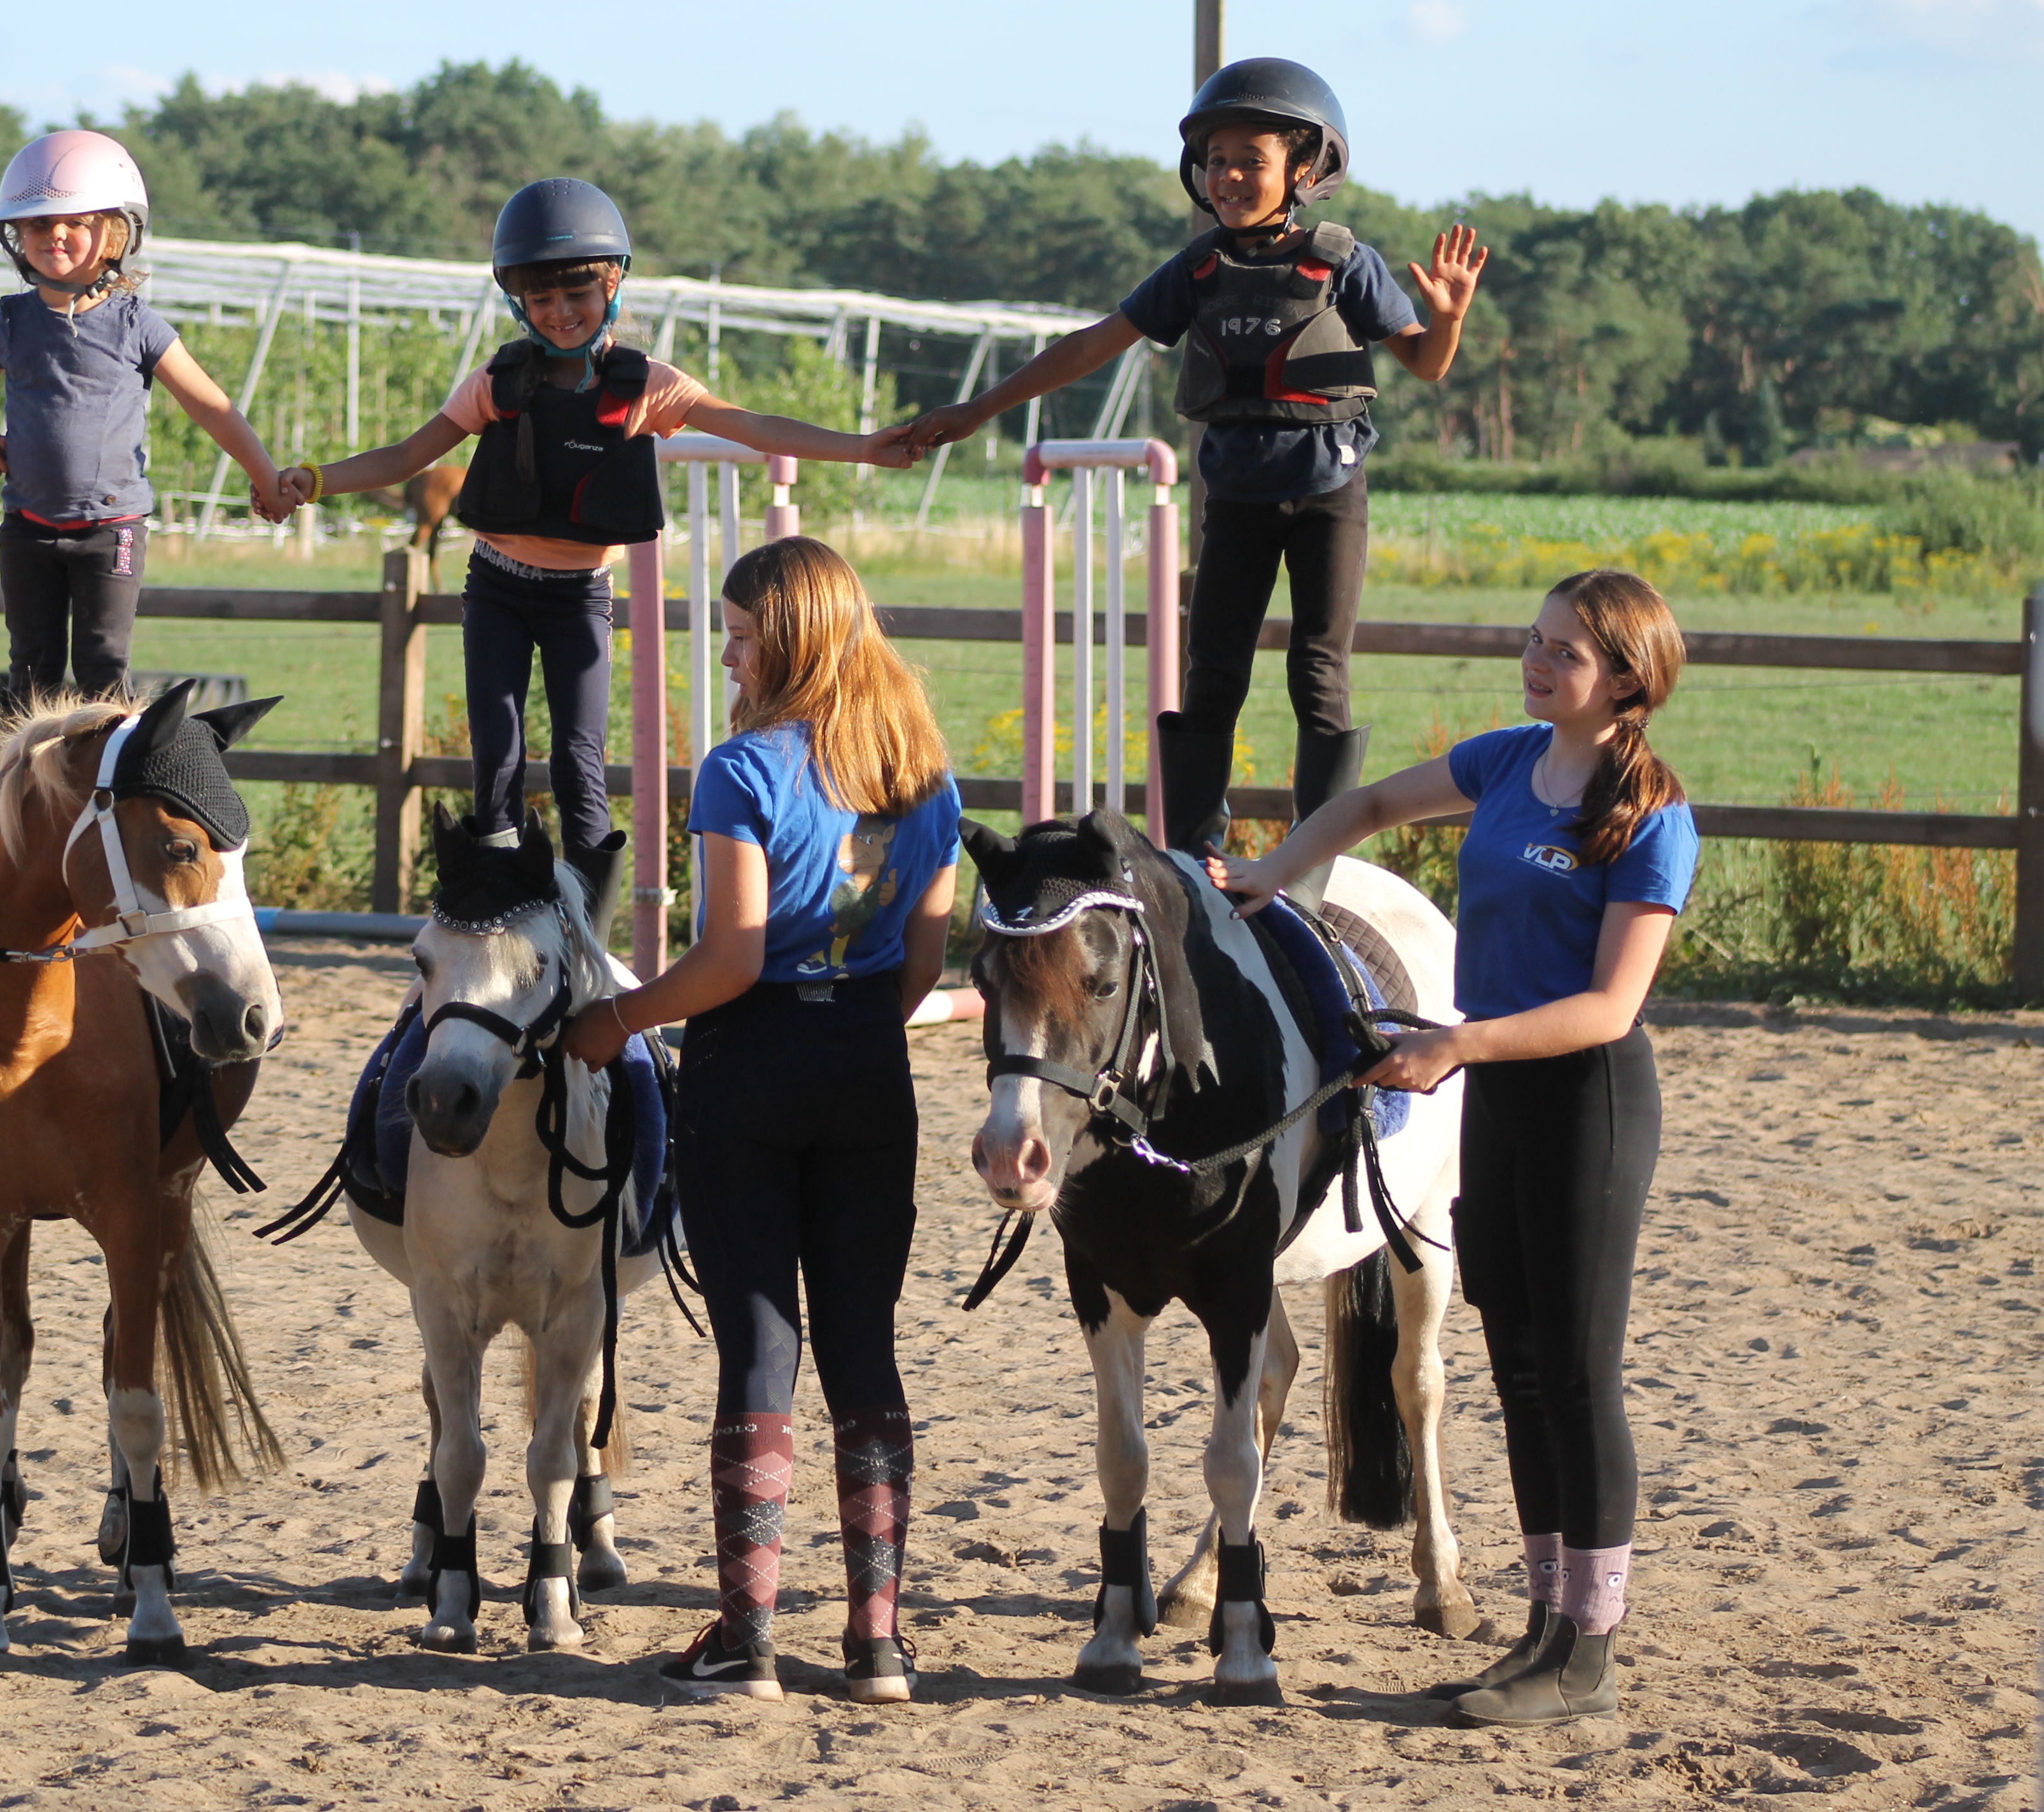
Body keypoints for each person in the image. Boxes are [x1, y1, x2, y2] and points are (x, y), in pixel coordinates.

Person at [1205, 569, 1697, 1728]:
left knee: (1580, 1377)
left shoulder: (1649, 815)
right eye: (1534, 640)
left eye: (1564, 652)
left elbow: (1610, 1008)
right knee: (1520, 1368)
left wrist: (1456, 1042)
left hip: (1586, 1102)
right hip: (1502, 1104)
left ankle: (1588, 1651)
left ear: (1625, 676)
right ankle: (1540, 1626)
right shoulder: (1507, 759)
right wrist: (1273, 878)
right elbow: (1370, 806)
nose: (1537, 662)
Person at [271, 178, 915, 926]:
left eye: (576, 294)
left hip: (580, 596)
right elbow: (409, 454)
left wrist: (864, 448)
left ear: (612, 285)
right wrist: (313, 481)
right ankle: (502, 918)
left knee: (579, 762)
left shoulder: (647, 387)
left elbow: (758, 426)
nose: (560, 313)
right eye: (540, 300)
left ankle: (585, 928)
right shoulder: (499, 381)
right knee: (499, 753)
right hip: (498, 588)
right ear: (518, 305)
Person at [904, 59, 1487, 877]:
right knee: (1212, 676)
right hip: (1237, 496)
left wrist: (1449, 317)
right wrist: (976, 412)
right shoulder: (1196, 270)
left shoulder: (1345, 262)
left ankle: (1308, 868)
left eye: (1251, 159)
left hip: (1329, 492)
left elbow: (1426, 364)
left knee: (1318, 673)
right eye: (1216, 160)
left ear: (1305, 169)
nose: (1229, 176)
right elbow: (1091, 345)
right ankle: (1191, 859)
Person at [561, 537, 961, 1706]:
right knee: (864, 1347)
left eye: (739, 634)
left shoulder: (740, 771)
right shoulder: (923, 774)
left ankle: (747, 1639)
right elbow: (921, 965)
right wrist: (845, 1024)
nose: (727, 654)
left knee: (758, 1344)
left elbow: (729, 958)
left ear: (785, 641)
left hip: (753, 1063)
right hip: (869, 1069)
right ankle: (878, 1641)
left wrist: (617, 1020)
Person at [0, 129, 289, 708]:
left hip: (112, 530)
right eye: (36, 223)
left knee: (104, 668)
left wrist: (265, 477)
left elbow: (211, 405)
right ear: (16, 237)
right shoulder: (9, 322)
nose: (55, 234)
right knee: (31, 673)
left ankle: (101, 793)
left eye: (75, 222)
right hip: (27, 527)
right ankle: (33, 795)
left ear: (114, 233)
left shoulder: (138, 325)